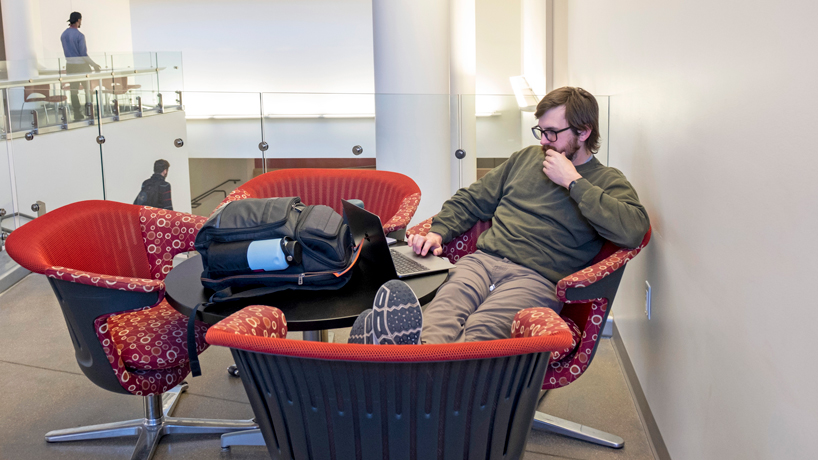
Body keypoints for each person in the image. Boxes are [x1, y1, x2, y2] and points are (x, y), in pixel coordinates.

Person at [349, 87, 649, 345]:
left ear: (583, 133)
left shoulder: (606, 181)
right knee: (438, 321)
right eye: (540, 131)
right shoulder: (526, 159)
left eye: (552, 133)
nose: (543, 141)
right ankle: (404, 373)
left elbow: (634, 230)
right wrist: (438, 232)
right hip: (482, 262)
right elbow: (473, 199)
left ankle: (412, 382)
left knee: (480, 334)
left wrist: (574, 182)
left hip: (536, 278)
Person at [60, 12, 101, 122]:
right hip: (81, 66)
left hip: (70, 66)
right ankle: (89, 110)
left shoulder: (63, 35)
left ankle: (77, 112)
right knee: (88, 89)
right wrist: (94, 65)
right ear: (78, 20)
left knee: (74, 90)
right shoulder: (79, 35)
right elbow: (83, 54)